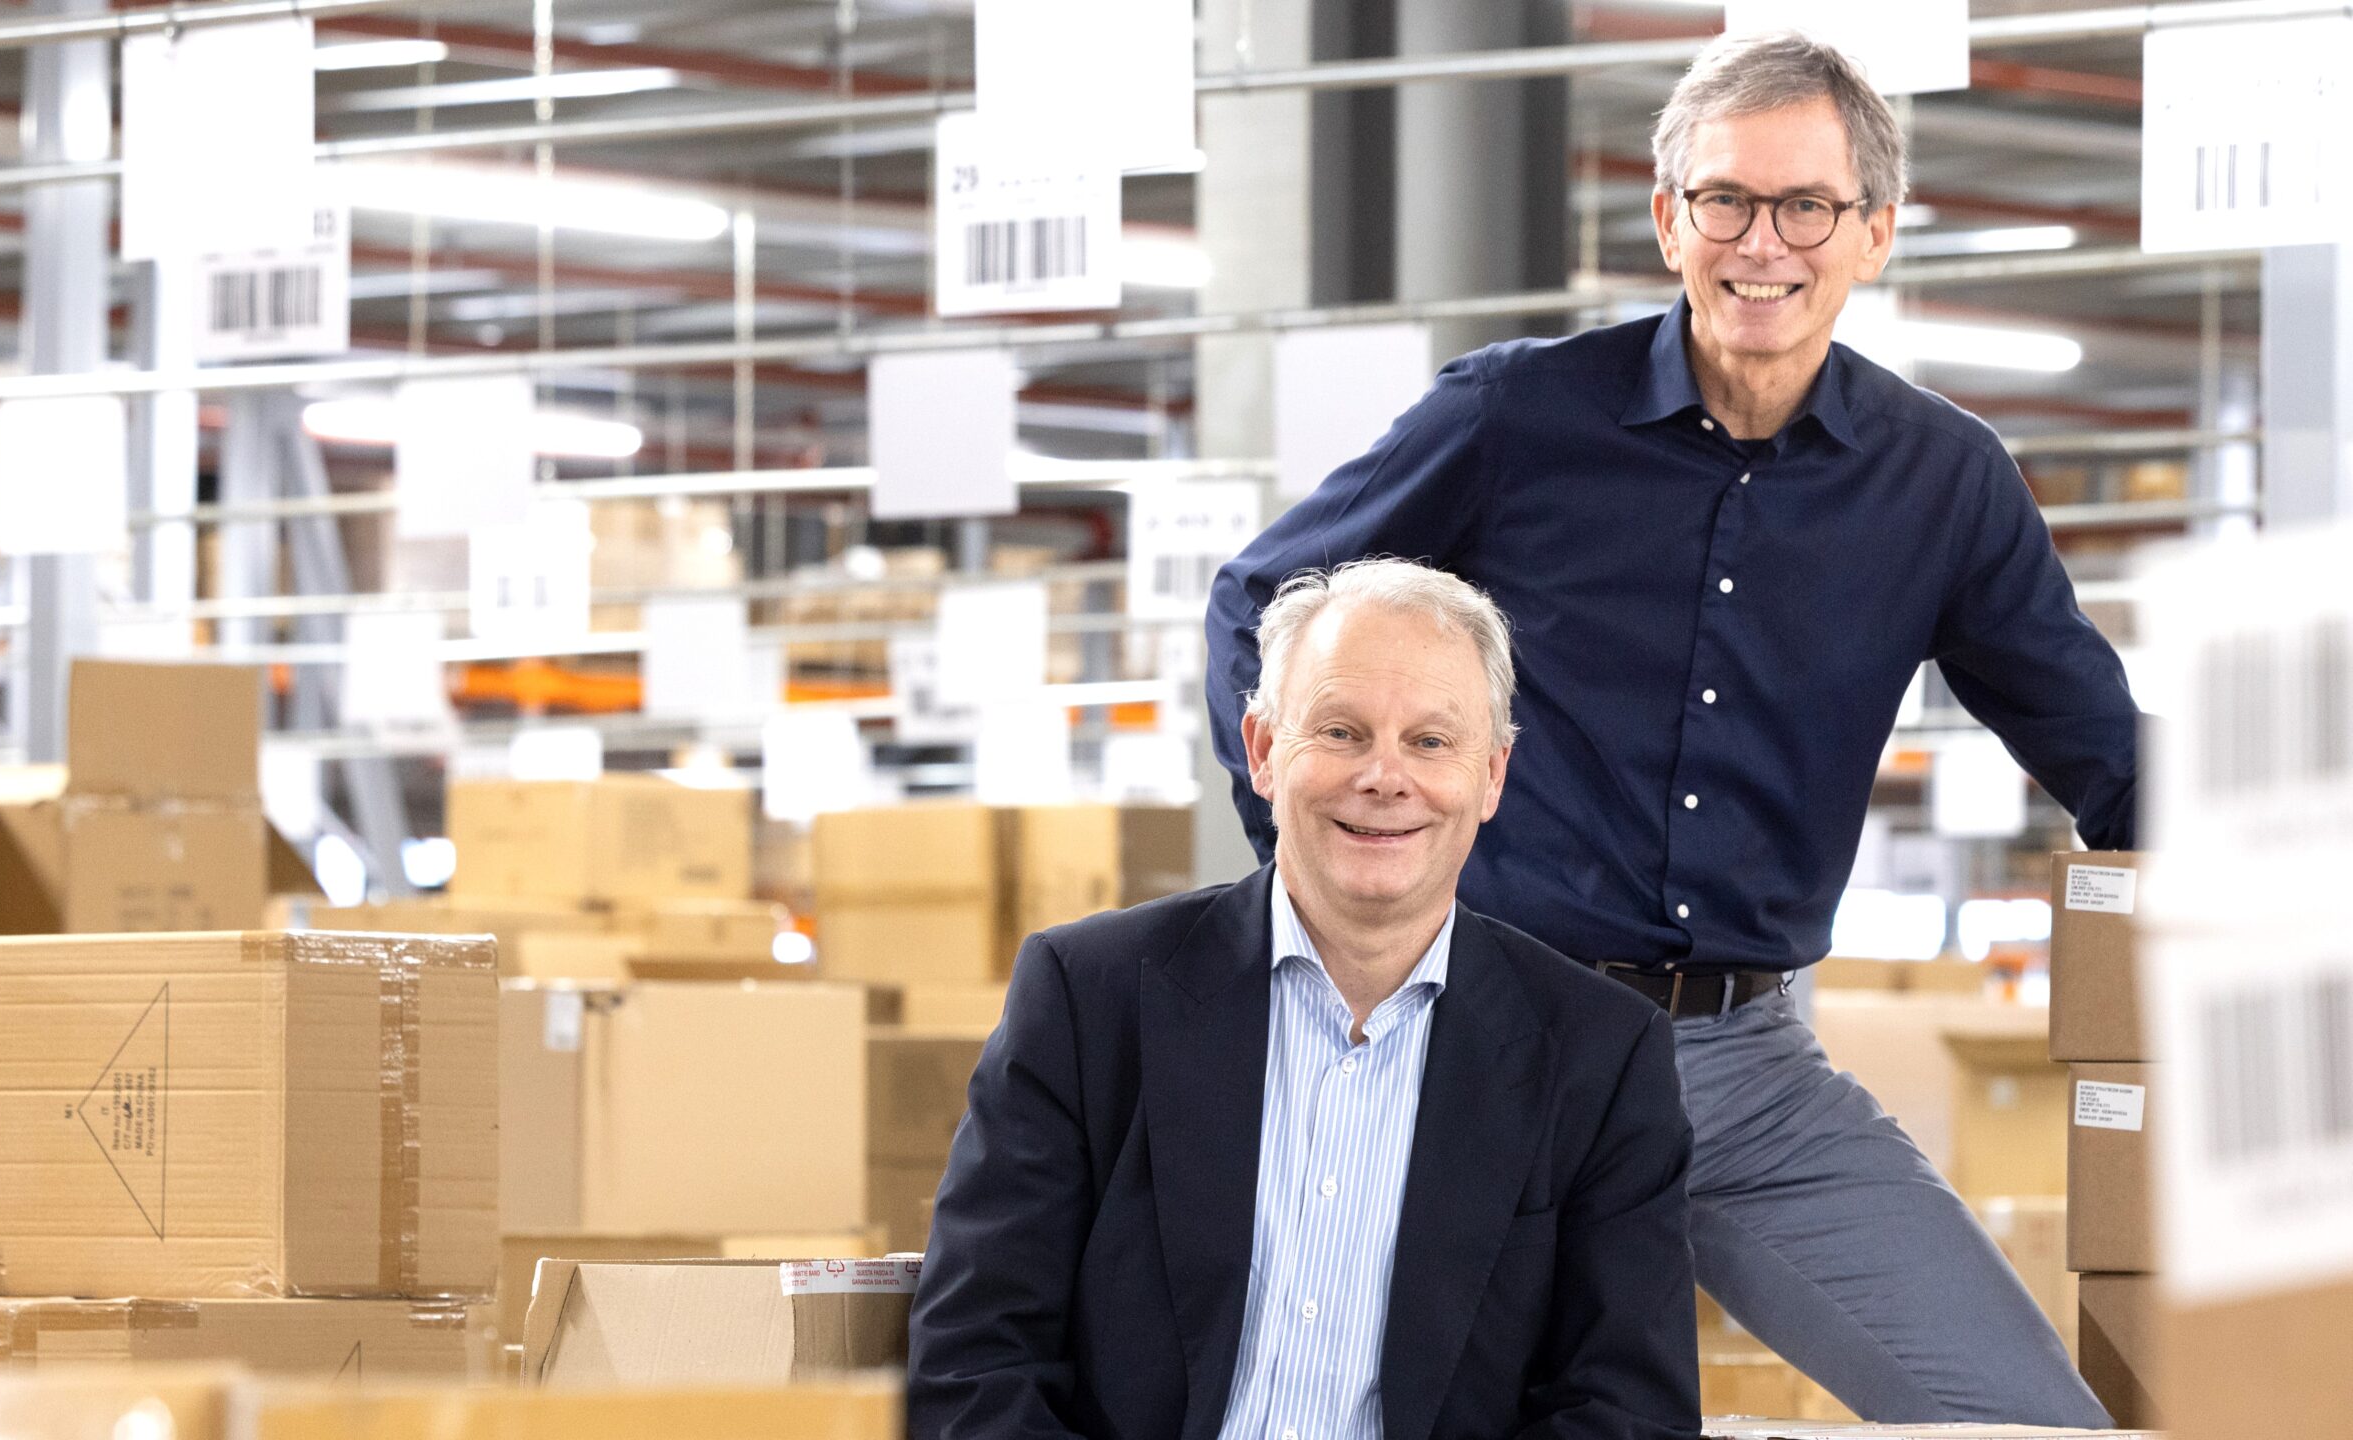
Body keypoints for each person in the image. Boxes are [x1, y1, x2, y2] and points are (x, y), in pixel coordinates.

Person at [1203, 30, 2132, 1430]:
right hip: (1483, 1040)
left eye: (1807, 206)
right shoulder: (1518, 416)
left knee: (2030, 1425)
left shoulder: (1944, 484)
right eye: (1726, 202)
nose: (1764, 244)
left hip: (1752, 1079)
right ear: (1668, 220)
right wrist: (1304, 835)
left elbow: (2103, 748)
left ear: (1873, 232)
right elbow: (1264, 596)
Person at [912, 559, 1698, 1440]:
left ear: (1491, 778)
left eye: (1431, 742)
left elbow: (1627, 1412)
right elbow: (976, 1363)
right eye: (1341, 731)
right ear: (1262, 751)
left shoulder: (1599, 1057)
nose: (1385, 777)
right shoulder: (1089, 1000)